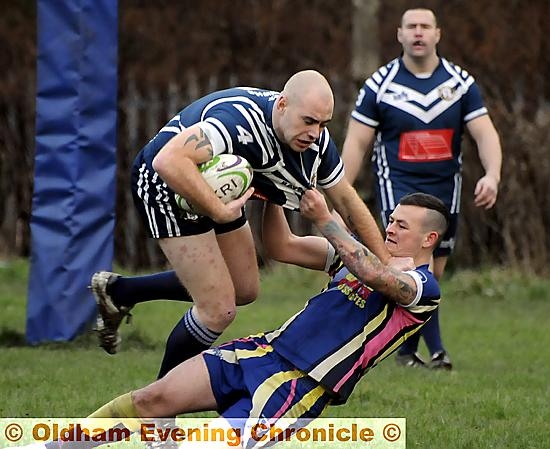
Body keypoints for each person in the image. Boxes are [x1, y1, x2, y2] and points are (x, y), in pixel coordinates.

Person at [27, 191, 449, 449]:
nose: (390, 228)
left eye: (402, 225)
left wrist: (325, 218)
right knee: (151, 400)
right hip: (260, 351)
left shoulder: (422, 288)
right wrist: (273, 195)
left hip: (299, 385)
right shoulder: (354, 255)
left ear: (429, 239)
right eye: (391, 219)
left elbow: (375, 277)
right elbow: (280, 245)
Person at [94, 70, 392, 380]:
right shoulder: (239, 121)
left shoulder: (315, 145)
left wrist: (388, 265)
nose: (315, 132)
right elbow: (168, 161)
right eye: (308, 121)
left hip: (219, 188)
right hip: (166, 185)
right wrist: (220, 213)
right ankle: (157, 408)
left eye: (323, 124)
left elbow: (347, 200)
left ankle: (120, 290)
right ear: (282, 105)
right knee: (218, 310)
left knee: (244, 288)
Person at [341, 8, 502, 369]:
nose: (418, 33)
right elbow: (355, 143)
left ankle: (404, 350)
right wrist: (342, 194)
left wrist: (492, 174)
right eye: (411, 26)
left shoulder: (460, 84)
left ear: (437, 34)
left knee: (434, 272)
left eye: (424, 26)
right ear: (399, 34)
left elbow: (485, 132)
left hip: (445, 189)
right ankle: (437, 352)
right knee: (413, 265)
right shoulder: (379, 85)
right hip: (399, 185)